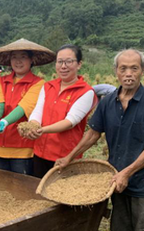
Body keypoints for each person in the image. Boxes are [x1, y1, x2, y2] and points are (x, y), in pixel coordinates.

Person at [56, 49, 144, 231]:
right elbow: (93, 134)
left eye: (134, 68)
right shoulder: (108, 102)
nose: (129, 74)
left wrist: (127, 172)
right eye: (123, 68)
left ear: (143, 71)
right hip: (116, 180)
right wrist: (69, 157)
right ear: (116, 71)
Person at [0, 38, 56, 174]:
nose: (18, 61)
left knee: (21, 183)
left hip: (22, 146)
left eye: (23, 57)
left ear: (31, 60)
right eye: (14, 57)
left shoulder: (38, 83)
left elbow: (24, 107)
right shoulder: (1, 81)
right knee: (1, 182)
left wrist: (4, 122)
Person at [24, 44, 97, 178]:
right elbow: (38, 111)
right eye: (60, 62)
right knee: (38, 187)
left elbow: (70, 122)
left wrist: (41, 130)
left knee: (61, 189)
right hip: (41, 151)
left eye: (69, 61)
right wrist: (33, 125)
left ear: (79, 64)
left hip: (65, 157)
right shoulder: (48, 86)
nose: (63, 66)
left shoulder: (86, 92)